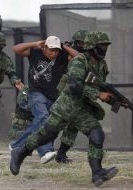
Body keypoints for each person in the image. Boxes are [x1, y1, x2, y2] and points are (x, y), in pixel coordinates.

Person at [10, 31, 119, 187]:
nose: (104, 49)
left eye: (105, 46)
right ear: (92, 47)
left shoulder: (101, 65)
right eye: (100, 46)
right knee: (45, 135)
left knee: (96, 134)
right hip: (65, 106)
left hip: (81, 108)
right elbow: (75, 86)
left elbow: (101, 89)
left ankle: (97, 173)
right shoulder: (79, 61)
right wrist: (98, 94)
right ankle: (19, 152)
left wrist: (115, 101)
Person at [10, 35, 77, 164]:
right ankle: (45, 152)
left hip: (52, 96)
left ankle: (16, 145)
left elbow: (79, 58)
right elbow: (15, 49)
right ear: (44, 47)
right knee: (42, 117)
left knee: (42, 124)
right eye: (51, 49)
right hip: (36, 93)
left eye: (56, 50)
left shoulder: (62, 57)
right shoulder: (35, 52)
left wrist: (64, 47)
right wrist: (35, 43)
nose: (54, 53)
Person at [56, 29, 89, 164]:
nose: (83, 45)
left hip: (78, 93)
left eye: (85, 43)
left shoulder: (88, 55)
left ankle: (61, 153)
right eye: (80, 43)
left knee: (72, 125)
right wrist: (64, 48)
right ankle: (40, 148)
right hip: (61, 92)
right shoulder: (66, 51)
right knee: (52, 122)